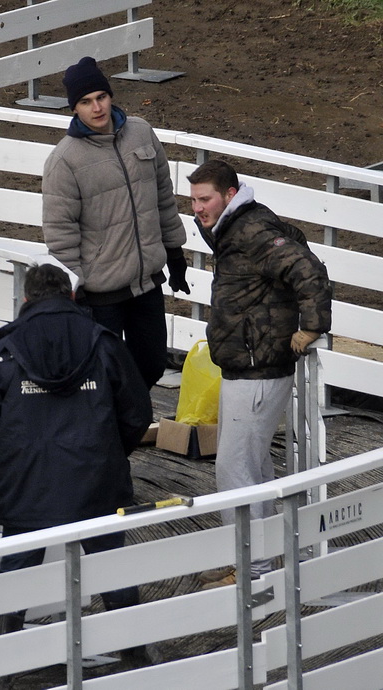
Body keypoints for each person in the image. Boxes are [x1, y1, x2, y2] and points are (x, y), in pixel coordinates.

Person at [0, 263, 154, 683]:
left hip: (27, 486)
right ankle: (135, 656)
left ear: (26, 300)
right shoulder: (102, 343)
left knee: (16, 573)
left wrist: (14, 455)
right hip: (96, 483)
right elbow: (138, 411)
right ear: (70, 297)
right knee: (112, 568)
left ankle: (1, 668)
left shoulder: (7, 349)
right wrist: (107, 452)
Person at [187, 160, 332, 588]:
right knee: (254, 469)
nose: (197, 208)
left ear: (230, 194)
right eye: (193, 200)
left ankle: (251, 570)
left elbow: (308, 271)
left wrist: (310, 327)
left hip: (258, 369)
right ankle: (263, 558)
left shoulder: (250, 231)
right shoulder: (238, 228)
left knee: (234, 471)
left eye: (205, 199)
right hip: (250, 366)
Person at [42, 56, 189, 389]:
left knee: (151, 366)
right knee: (103, 375)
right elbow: (60, 236)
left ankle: (124, 425)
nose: (96, 108)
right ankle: (113, 435)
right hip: (100, 294)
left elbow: (163, 197)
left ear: (110, 96)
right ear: (74, 109)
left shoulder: (141, 133)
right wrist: (72, 293)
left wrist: (175, 254)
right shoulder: (63, 161)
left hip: (147, 281)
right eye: (85, 102)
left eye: (101, 97)